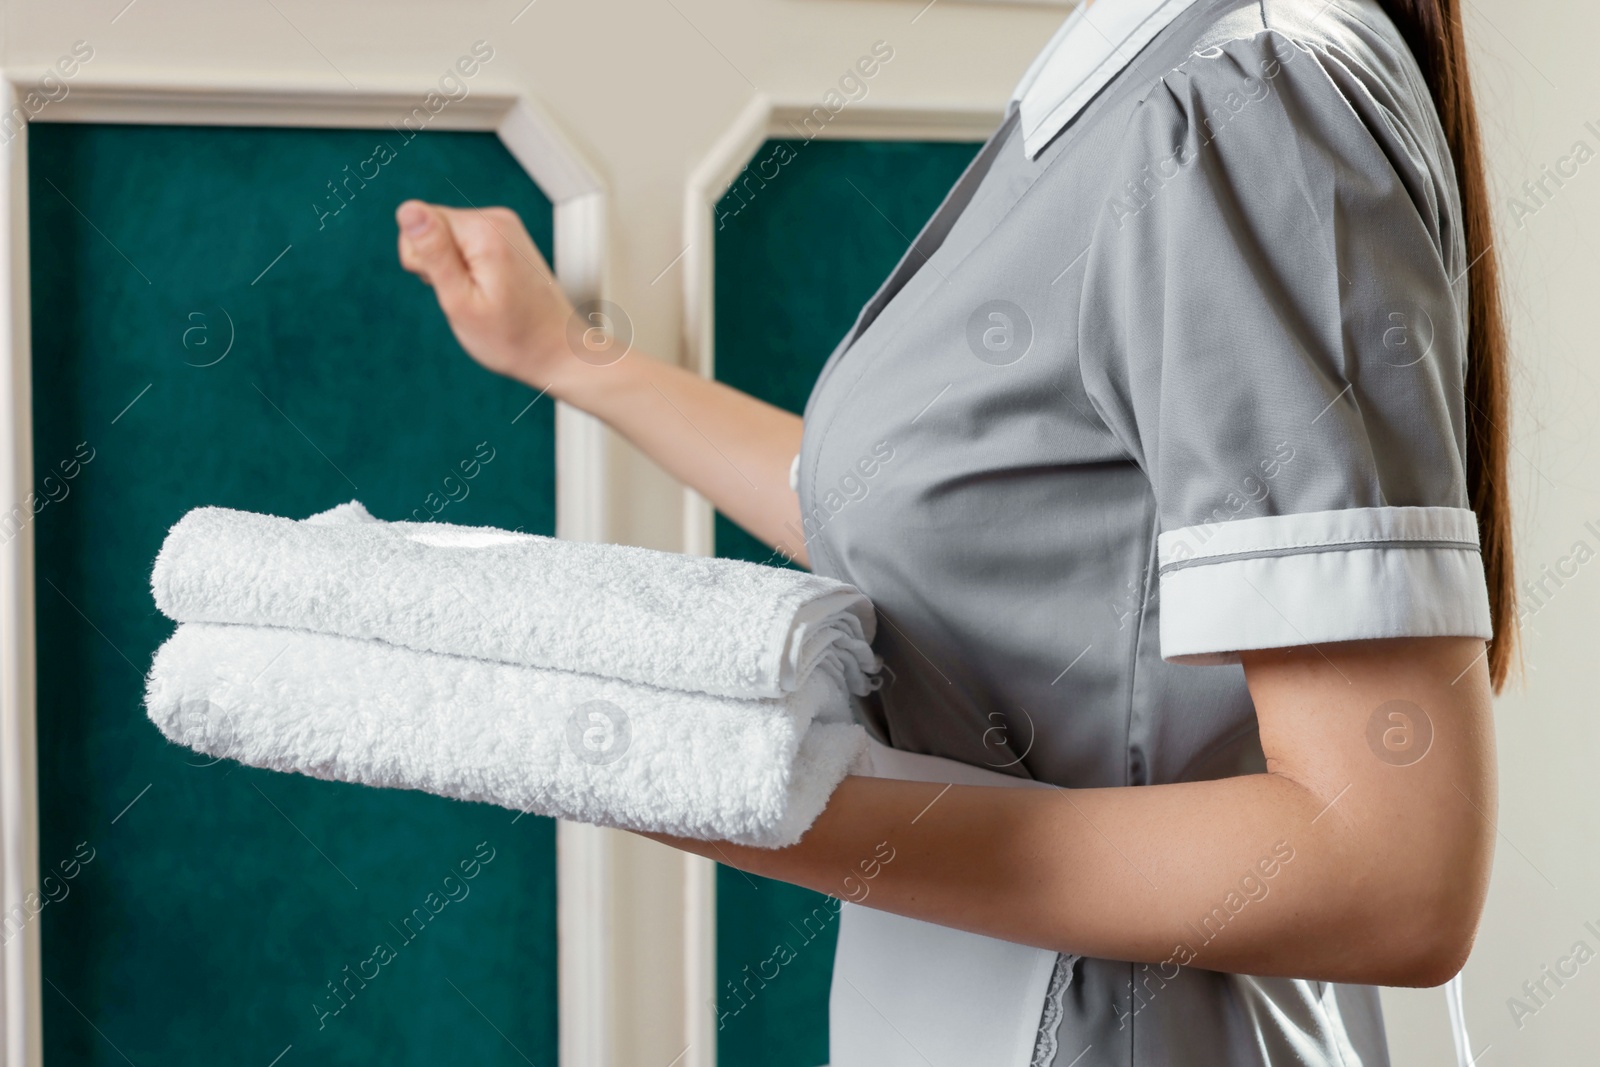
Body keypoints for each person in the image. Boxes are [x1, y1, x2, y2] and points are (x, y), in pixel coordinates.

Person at [393, 0, 1512, 1061]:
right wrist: (570, 359)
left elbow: (1390, 872)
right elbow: (951, 541)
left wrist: (741, 792)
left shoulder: (1238, 102)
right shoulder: (1143, 68)